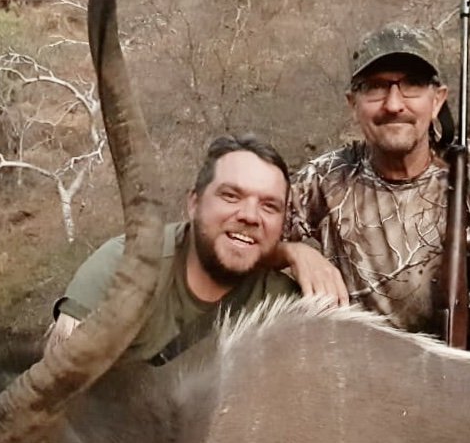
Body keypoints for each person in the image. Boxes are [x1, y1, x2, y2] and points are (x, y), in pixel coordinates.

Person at [278, 23, 470, 358]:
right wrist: (294, 253)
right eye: (376, 87)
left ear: (437, 100)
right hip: (354, 381)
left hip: (459, 379)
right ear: (353, 103)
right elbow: (242, 240)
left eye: (412, 86)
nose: (393, 104)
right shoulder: (324, 178)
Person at [49, 134, 299, 363]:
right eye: (231, 196)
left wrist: (298, 252)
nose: (250, 216)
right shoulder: (120, 267)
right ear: (194, 203)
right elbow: (57, 388)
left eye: (269, 206)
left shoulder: (289, 306)